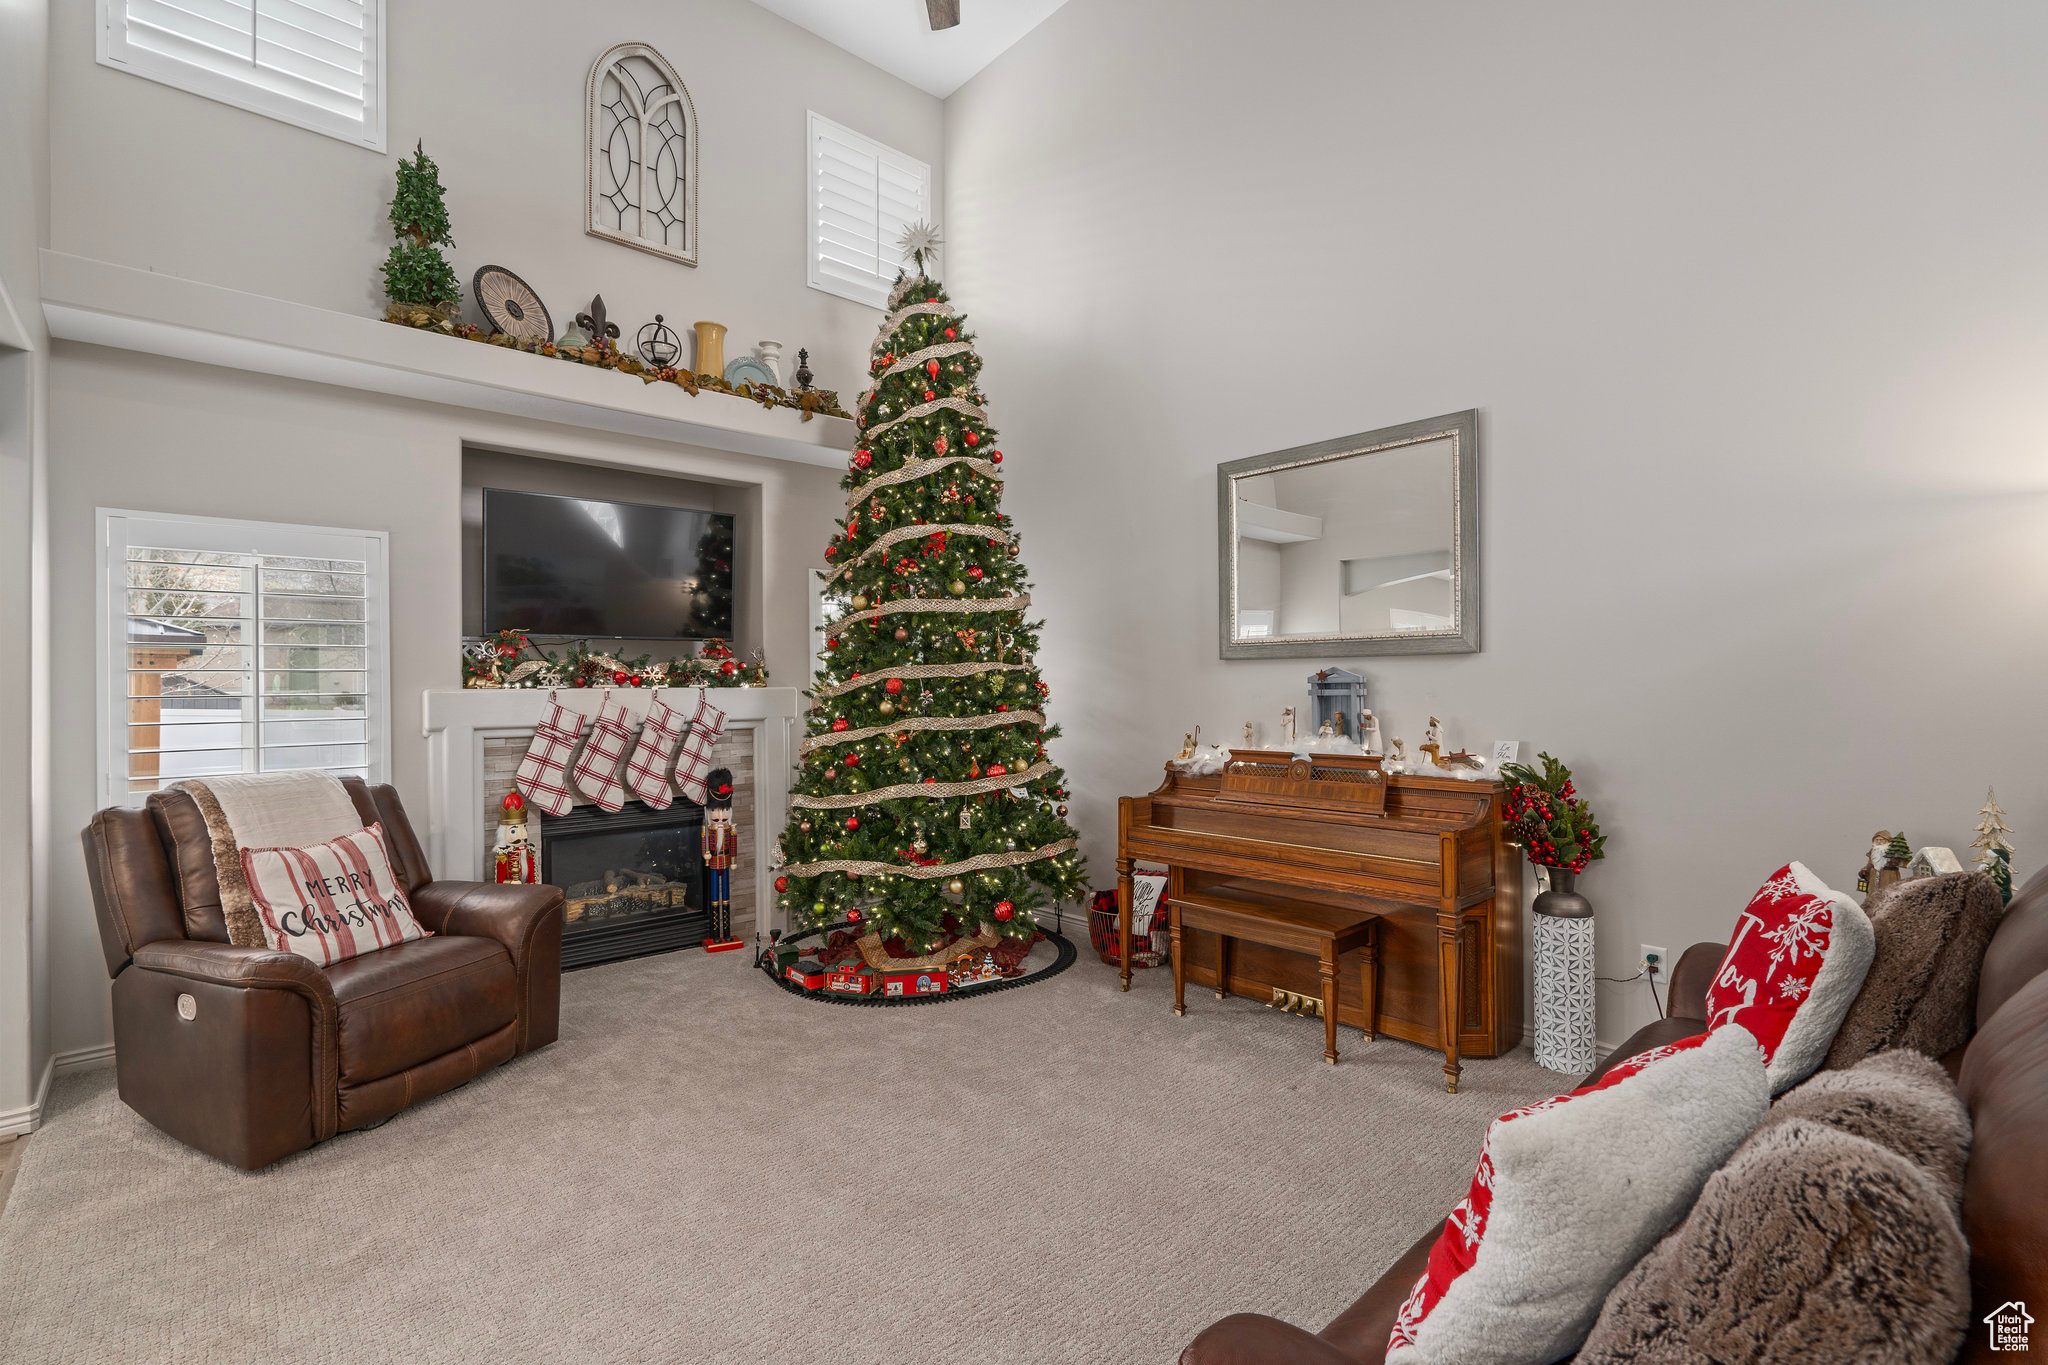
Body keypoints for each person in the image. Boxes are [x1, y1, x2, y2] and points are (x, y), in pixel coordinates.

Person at [701, 769, 739, 946]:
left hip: (725, 862)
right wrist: (705, 853)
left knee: (726, 897)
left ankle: (728, 933)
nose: (720, 816)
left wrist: (733, 860)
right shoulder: (707, 830)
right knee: (715, 898)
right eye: (715, 810)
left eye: (724, 810)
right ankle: (716, 933)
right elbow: (704, 844)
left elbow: (733, 845)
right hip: (714, 861)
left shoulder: (730, 830)